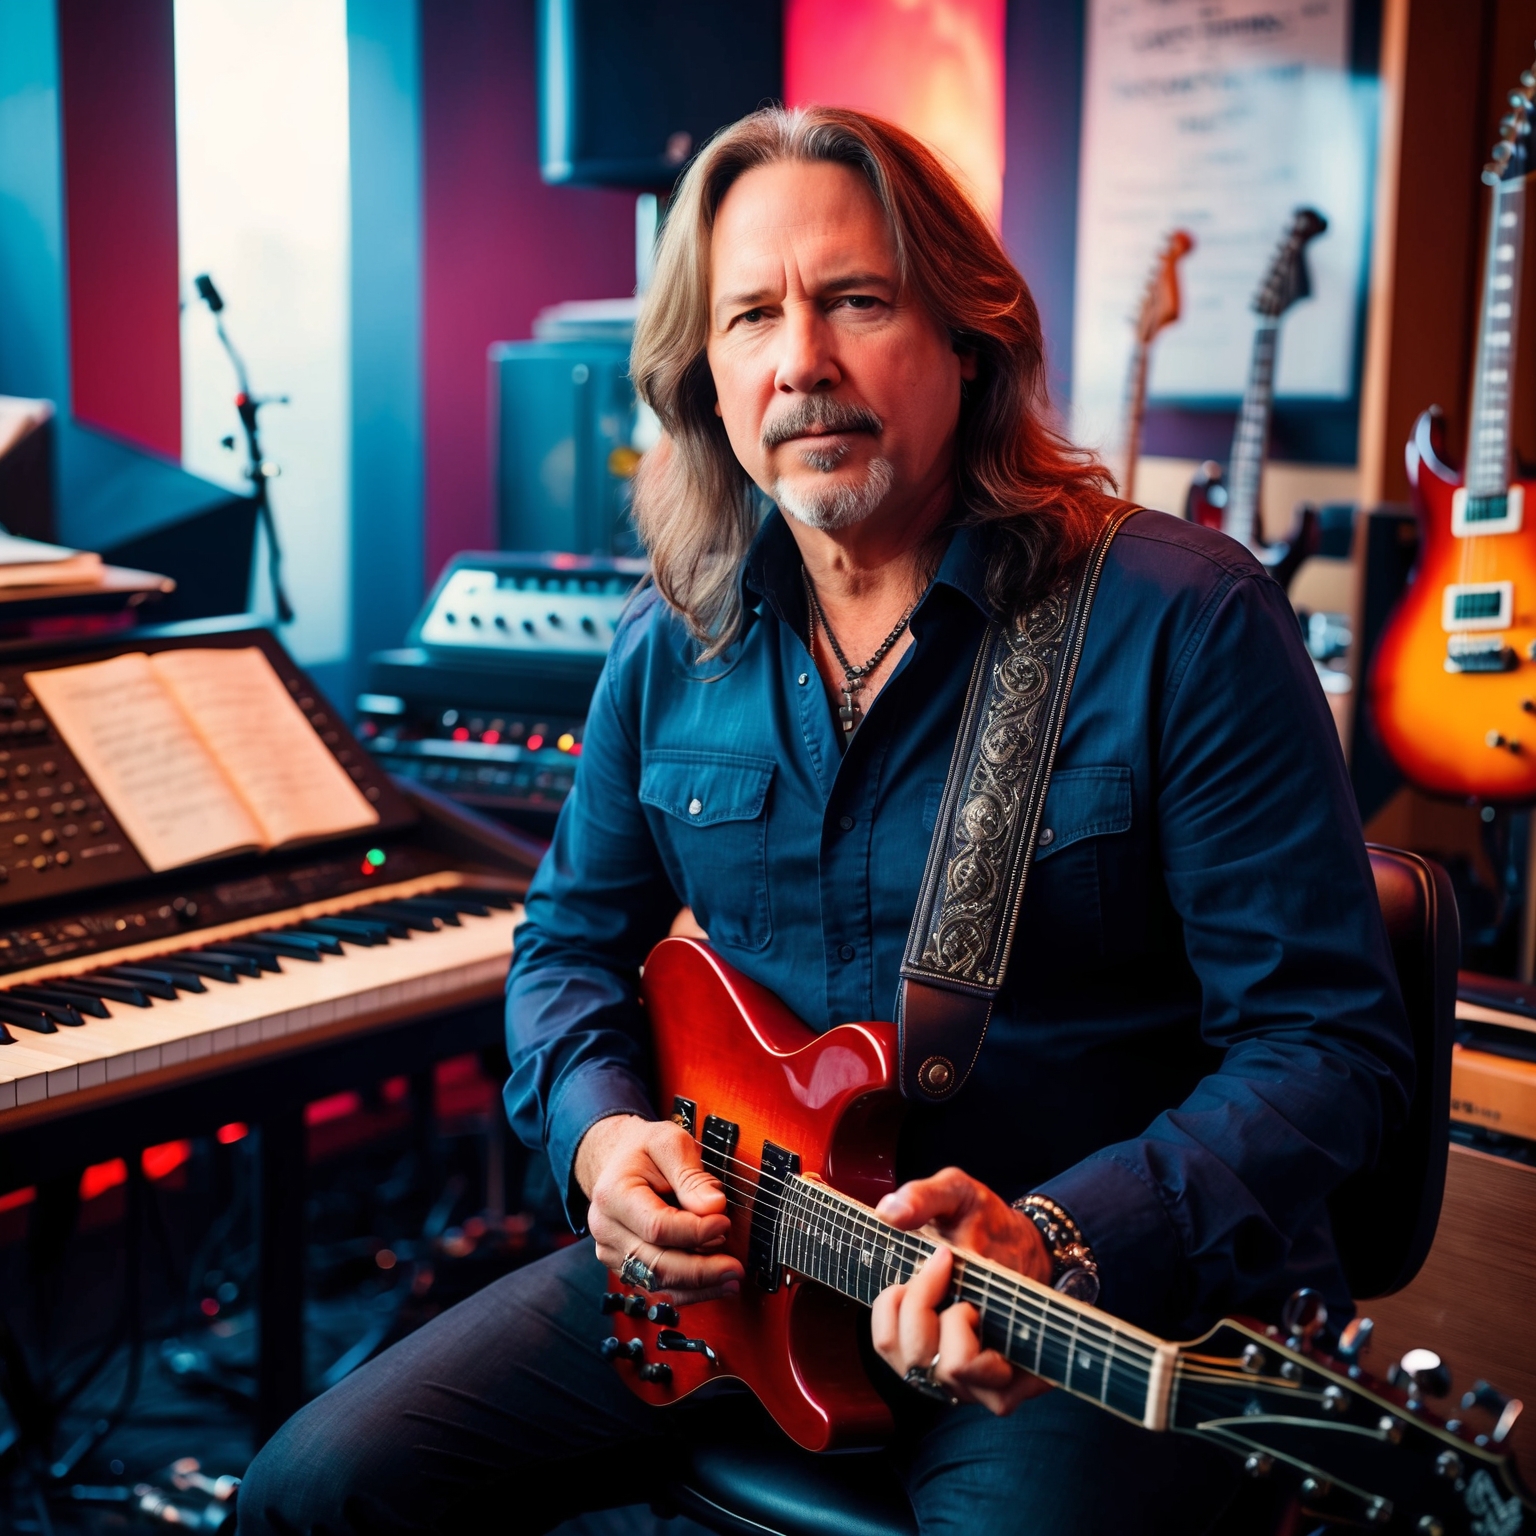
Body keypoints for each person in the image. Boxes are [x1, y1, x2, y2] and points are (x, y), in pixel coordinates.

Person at [238, 107, 1411, 1535]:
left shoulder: (1183, 620)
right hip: (736, 1266)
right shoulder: (670, 645)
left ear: (967, 338)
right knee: (311, 1492)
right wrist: (605, 1146)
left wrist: (1061, 1235)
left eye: (858, 301)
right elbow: (564, 950)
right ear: (705, 380)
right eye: (752, 317)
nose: (804, 361)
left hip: (1063, 1318)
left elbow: (1328, 1047)